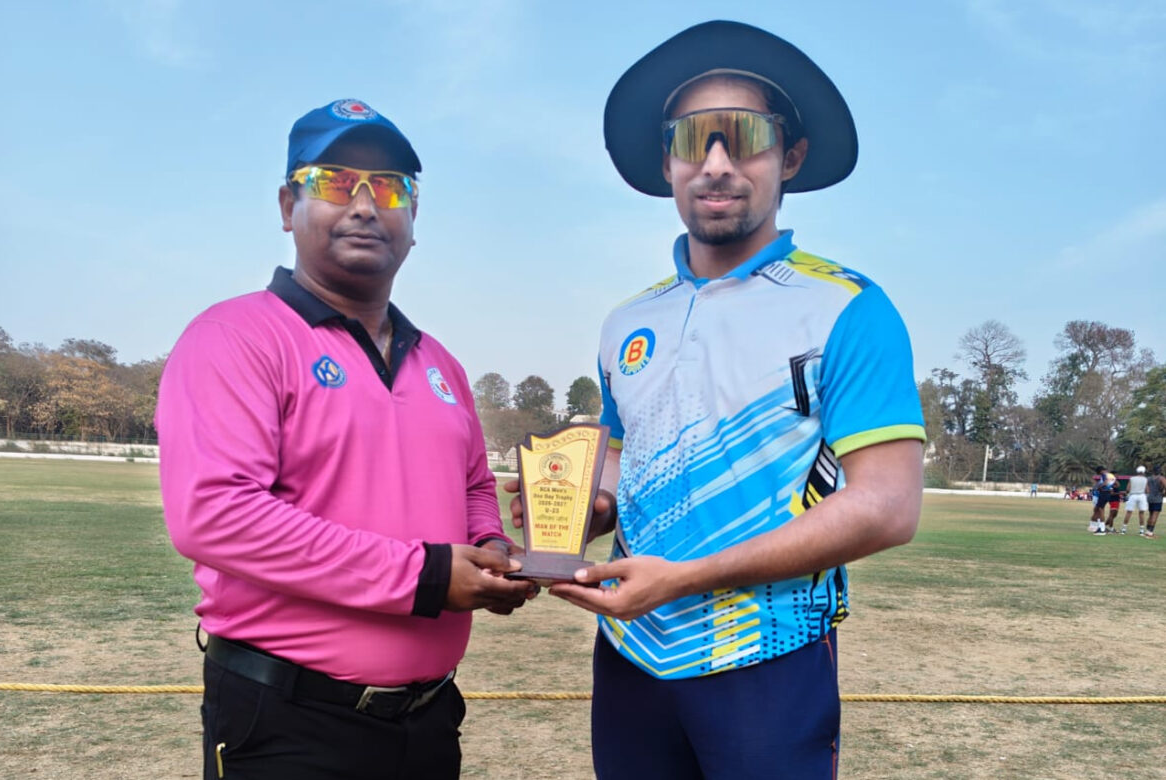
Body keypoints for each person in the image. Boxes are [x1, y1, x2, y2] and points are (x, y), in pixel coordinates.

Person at [514, 21, 925, 778]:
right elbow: (622, 462)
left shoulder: (849, 307)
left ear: (789, 157)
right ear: (666, 162)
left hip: (766, 656)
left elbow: (887, 507)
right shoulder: (627, 321)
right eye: (692, 139)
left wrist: (685, 577)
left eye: (745, 137)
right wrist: (582, 508)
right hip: (631, 655)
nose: (716, 163)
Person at [156, 98, 535, 780]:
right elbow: (217, 515)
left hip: (428, 719)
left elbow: (475, 485)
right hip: (289, 722)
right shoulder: (236, 336)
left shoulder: (441, 364)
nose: (364, 205)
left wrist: (493, 549)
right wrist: (424, 576)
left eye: (389, 188)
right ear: (287, 206)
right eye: (335, 182)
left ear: (413, 218)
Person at [1121, 466, 1149, 535]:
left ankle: (1124, 529)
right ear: (1143, 472)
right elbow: (1147, 490)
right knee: (1141, 513)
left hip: (1133, 495)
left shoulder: (1132, 478)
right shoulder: (1145, 479)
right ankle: (1141, 530)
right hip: (1142, 496)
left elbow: (1128, 489)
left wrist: (1127, 493)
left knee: (1129, 512)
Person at [1090, 466, 1114, 534]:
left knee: (1101, 510)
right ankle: (1099, 527)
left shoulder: (1104, 475)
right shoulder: (1110, 476)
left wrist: (1099, 487)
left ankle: (1102, 529)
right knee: (1099, 509)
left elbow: (1105, 483)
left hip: (1104, 493)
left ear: (1100, 471)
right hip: (1107, 494)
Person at [1146, 465, 1165, 539]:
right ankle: (1150, 532)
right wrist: (1164, 493)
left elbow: (1147, 489)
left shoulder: (1148, 478)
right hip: (1158, 498)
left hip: (1150, 498)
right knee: (1155, 515)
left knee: (1150, 514)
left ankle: (1147, 531)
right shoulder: (1161, 478)